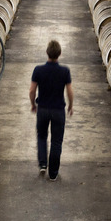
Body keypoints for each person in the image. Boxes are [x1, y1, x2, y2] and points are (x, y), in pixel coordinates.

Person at [30, 40, 74, 181]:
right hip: (58, 111)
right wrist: (70, 106)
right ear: (59, 54)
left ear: (47, 52)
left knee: (41, 136)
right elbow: (69, 91)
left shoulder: (38, 70)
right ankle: (53, 173)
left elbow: (32, 90)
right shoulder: (64, 71)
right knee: (56, 141)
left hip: (42, 109)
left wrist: (33, 104)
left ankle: (43, 164)